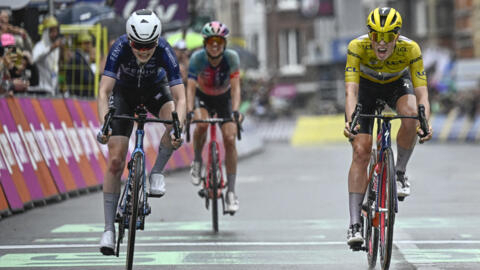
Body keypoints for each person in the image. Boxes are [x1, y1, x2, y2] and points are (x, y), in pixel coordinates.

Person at [96, 9, 185, 255]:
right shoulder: (119, 47)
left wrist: (178, 125)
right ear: (129, 39)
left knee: (175, 123)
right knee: (115, 160)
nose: (143, 51)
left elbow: (180, 95)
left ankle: (156, 172)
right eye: (137, 45)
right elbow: (104, 91)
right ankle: (108, 230)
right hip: (124, 94)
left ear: (157, 40)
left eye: (149, 45)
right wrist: (105, 123)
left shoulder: (165, 49)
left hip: (155, 90)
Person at [343, 7, 433, 246]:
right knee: (361, 150)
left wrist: (425, 123)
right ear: (369, 34)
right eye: (375, 36)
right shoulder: (356, 47)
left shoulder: (411, 49)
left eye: (388, 36)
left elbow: (422, 93)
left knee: (411, 114)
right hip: (366, 89)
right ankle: (354, 224)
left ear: (397, 35)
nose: (381, 43)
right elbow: (351, 91)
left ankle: (400, 173)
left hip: (397, 84)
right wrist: (350, 121)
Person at [186, 21, 242, 213]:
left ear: (224, 43)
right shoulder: (197, 59)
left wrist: (235, 111)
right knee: (201, 125)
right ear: (205, 43)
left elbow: (235, 88)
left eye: (219, 40)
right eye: (211, 41)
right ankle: (197, 161)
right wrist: (189, 111)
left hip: (224, 99)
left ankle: (231, 193)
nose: (215, 45)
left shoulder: (232, 58)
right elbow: (190, 88)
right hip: (203, 98)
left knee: (230, 138)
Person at [31, 16, 63, 95]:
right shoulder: (40, 46)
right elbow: (34, 59)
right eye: (52, 31)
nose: (55, 34)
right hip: (41, 90)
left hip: (52, 90)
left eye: (56, 31)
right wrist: (50, 48)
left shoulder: (56, 48)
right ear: (46, 32)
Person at [65, 31, 95, 97]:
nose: (89, 45)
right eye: (86, 43)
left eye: (89, 43)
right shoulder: (77, 59)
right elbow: (87, 79)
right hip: (80, 96)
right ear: (80, 44)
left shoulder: (81, 57)